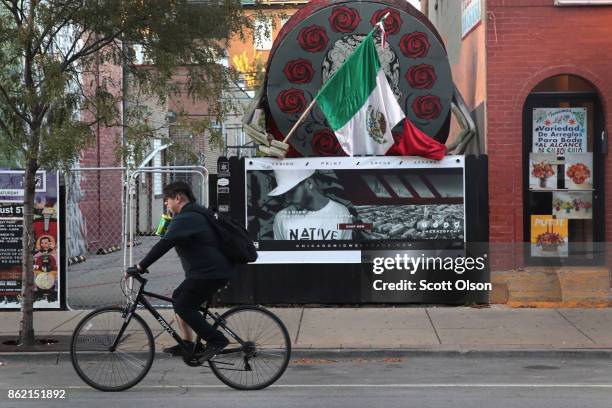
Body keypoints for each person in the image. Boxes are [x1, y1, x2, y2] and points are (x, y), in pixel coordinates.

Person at [126, 181, 234, 360]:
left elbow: (164, 244)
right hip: (208, 272)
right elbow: (170, 239)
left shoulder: (187, 217)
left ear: (178, 197)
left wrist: (140, 267)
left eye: (167, 200)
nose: (166, 204)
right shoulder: (192, 213)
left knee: (183, 305)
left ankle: (217, 340)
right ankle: (189, 344)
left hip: (210, 273)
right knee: (178, 298)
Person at [269, 170, 353, 240]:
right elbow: (280, 256)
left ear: (309, 183)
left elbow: (345, 255)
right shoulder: (281, 217)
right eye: (284, 194)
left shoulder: (341, 213)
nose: (287, 200)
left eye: (292, 192)